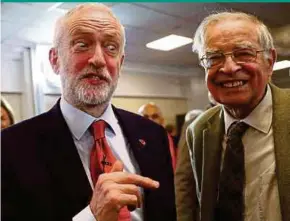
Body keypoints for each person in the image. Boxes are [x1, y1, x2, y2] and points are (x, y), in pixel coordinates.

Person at [2, 4, 176, 221]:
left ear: (120, 64)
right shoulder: (9, 148)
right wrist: (92, 217)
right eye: (82, 44)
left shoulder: (154, 136)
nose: (98, 59)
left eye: (111, 48)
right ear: (55, 60)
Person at [175, 11, 290, 221]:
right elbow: (191, 201)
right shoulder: (199, 130)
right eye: (214, 57)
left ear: (270, 61)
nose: (229, 68)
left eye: (244, 53)